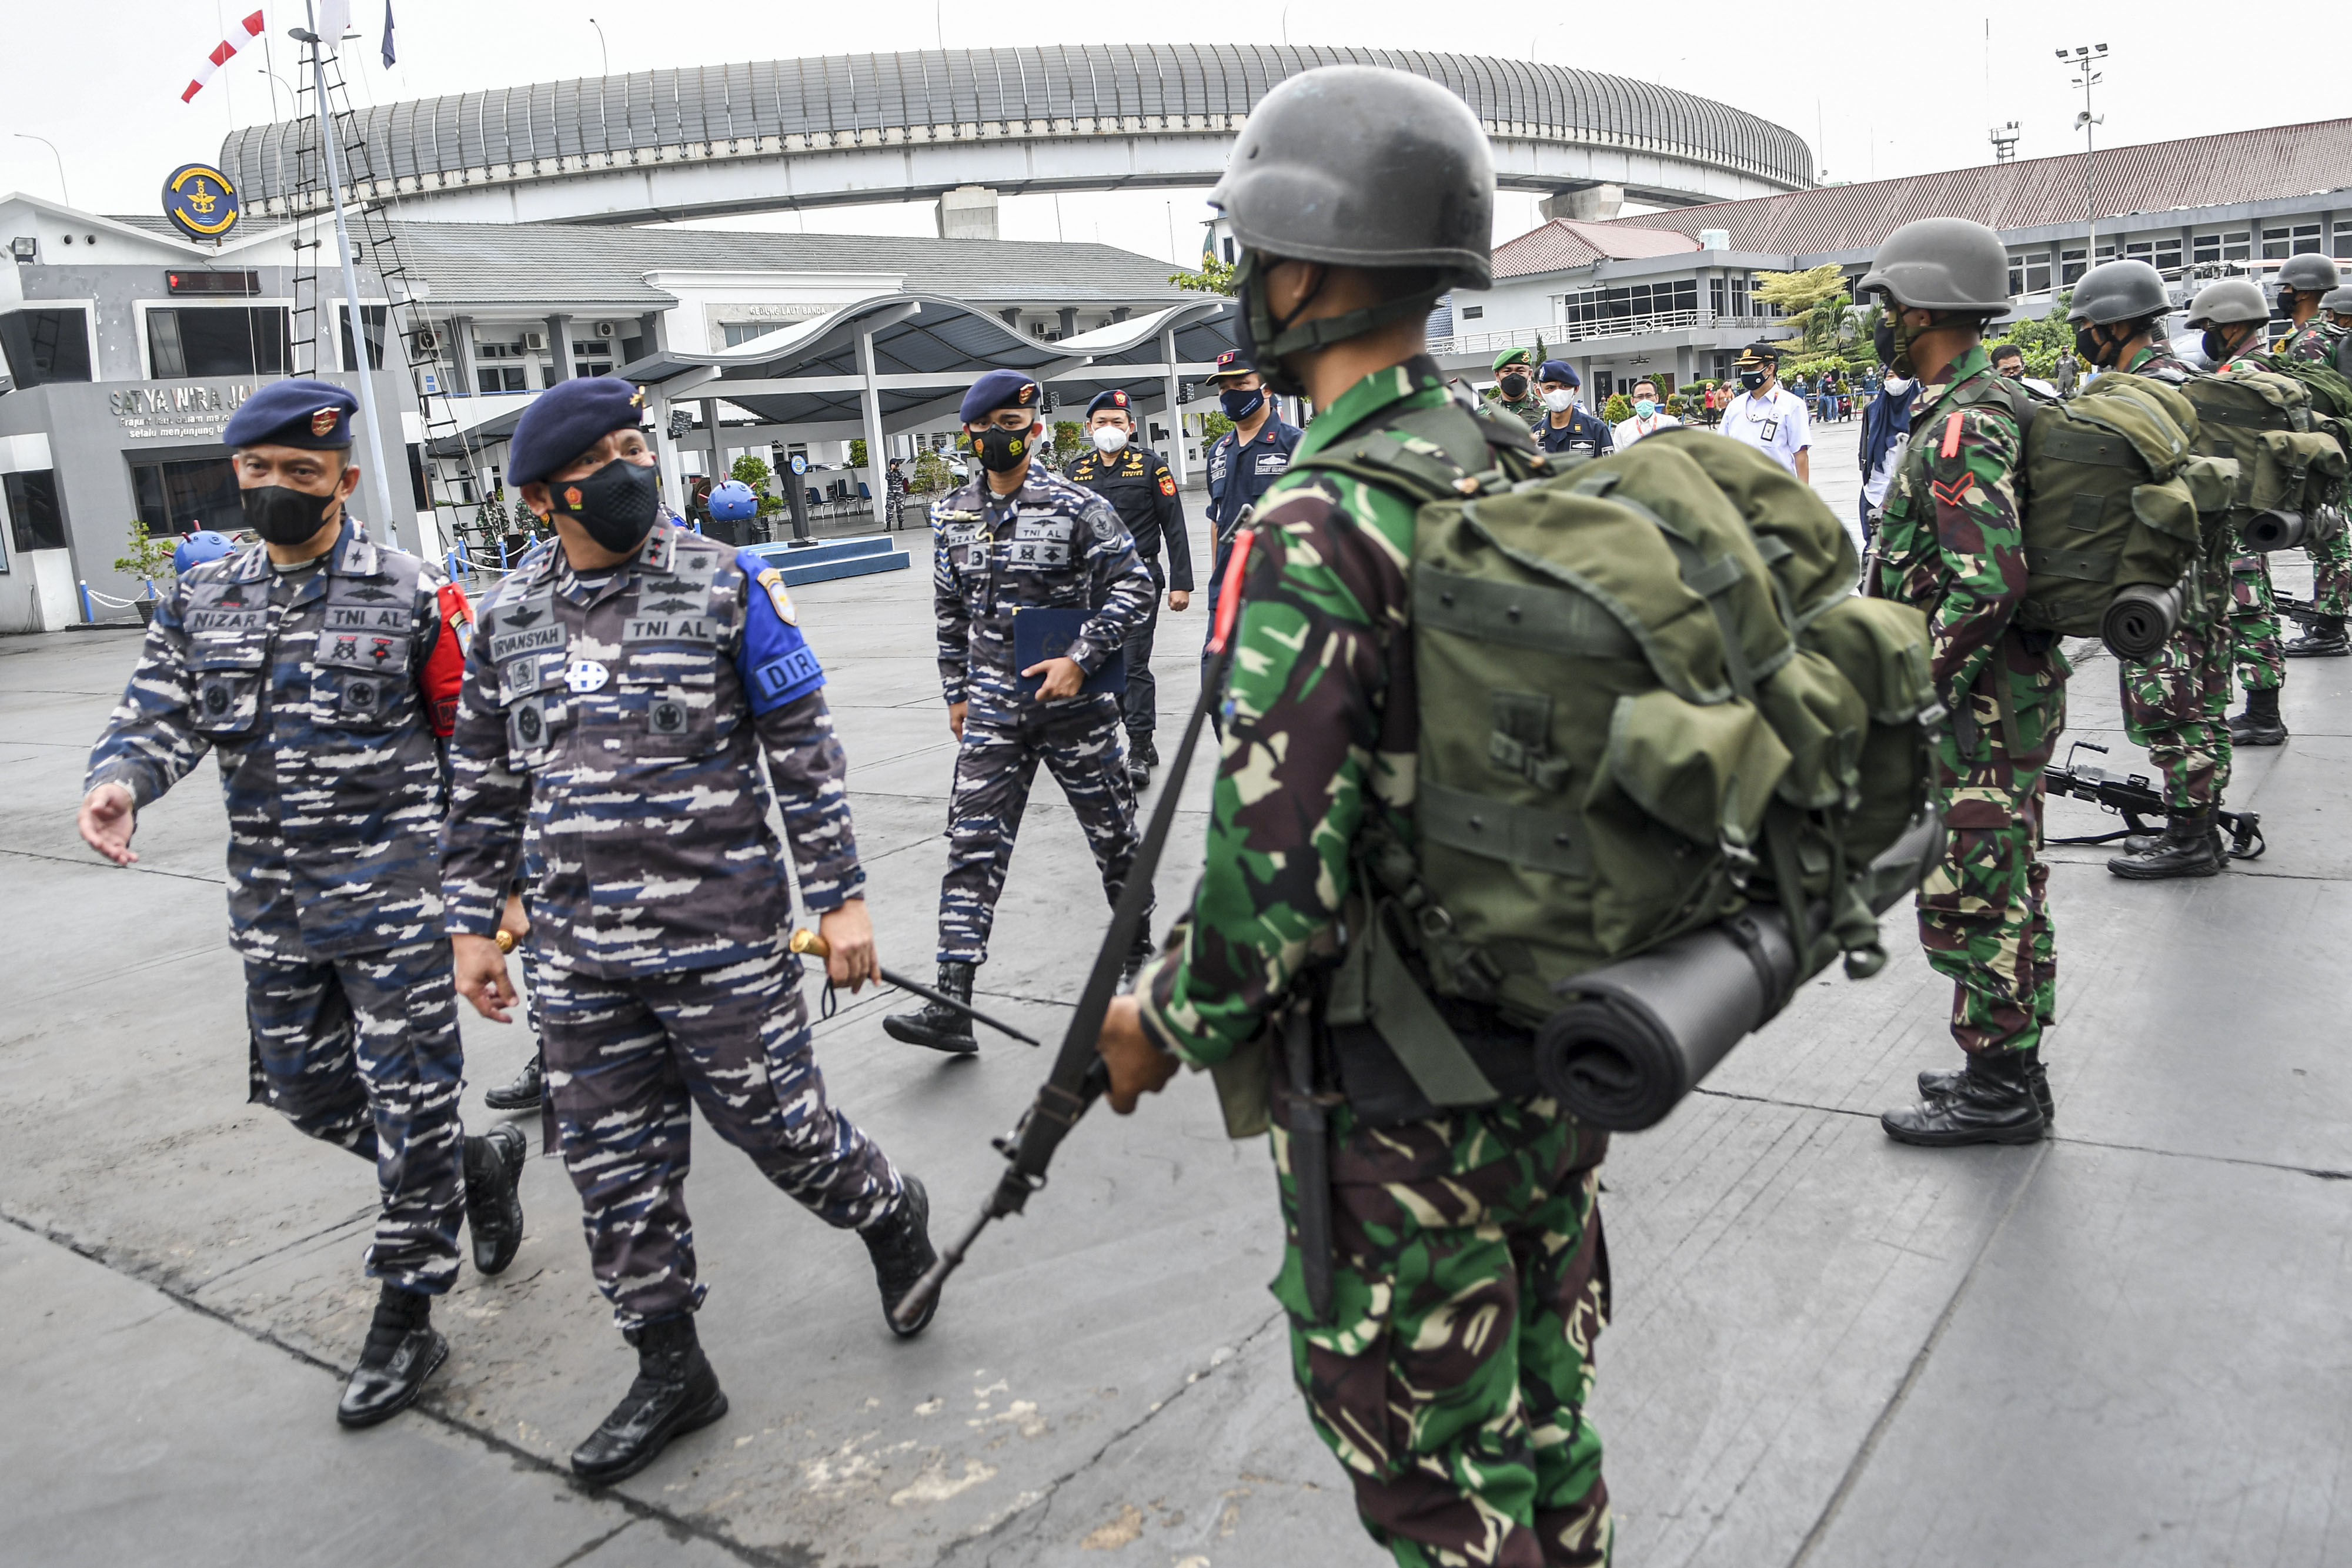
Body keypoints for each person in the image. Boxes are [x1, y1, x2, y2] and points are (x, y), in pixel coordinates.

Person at [1094, 65, 1616, 1567]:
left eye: (1253, 254)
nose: (1246, 285)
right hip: (1546, 1063)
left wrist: (1157, 1023)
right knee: (1543, 1427)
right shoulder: (1508, 461)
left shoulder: (1319, 518)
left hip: (1396, 1105)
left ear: (1308, 266)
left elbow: (1274, 888)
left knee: (1438, 1493)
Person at [440, 376, 937, 1482]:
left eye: (636, 444)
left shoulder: (727, 582)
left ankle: (887, 1208)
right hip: (577, 960)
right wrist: (476, 923)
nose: (632, 468)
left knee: (785, 1135)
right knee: (615, 1174)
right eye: (607, 455)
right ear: (542, 498)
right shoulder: (508, 621)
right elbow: (479, 786)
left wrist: (841, 896)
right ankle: (672, 1368)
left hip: (720, 937)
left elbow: (803, 751)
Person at [78, 379, 527, 1429]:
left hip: (402, 905)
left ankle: (407, 1315)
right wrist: (119, 782)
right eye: (259, 471)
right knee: (306, 1095)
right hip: (277, 909)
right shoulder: (203, 599)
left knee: (410, 1101)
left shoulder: (415, 591)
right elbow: (159, 716)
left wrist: (493, 888)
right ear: (237, 474)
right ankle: (476, 1165)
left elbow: (476, 745)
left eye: (301, 473)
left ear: (346, 481)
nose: (277, 488)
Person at [882, 369, 1158, 1055]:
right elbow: (949, 611)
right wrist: (955, 693)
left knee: (1114, 839)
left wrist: (1083, 656)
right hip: (993, 715)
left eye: (1017, 426)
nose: (1005, 438)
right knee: (971, 845)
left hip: (1077, 710)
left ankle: (1140, 959)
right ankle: (952, 1001)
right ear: (970, 434)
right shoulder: (951, 514)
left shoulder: (1076, 505)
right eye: (991, 428)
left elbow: (1135, 585)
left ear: (1036, 431)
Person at [1860, 216, 2061, 1148]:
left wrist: (1919, 681)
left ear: (1928, 306)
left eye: (1888, 302)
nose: (1881, 317)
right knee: (2009, 877)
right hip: (2005, 693)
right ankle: (2007, 1066)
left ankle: (1999, 1093)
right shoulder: (1987, 400)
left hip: (1979, 703)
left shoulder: (1963, 422)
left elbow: (1987, 580)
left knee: (1975, 885)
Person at [2068, 260, 2238, 880]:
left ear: (2114, 326)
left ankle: (2191, 841)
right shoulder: (2194, 377)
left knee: (2169, 710)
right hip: (2207, 573)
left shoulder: (2137, 394)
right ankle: (2194, 827)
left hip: (2160, 577)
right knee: (2204, 705)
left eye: (2086, 325)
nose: (2081, 335)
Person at [1063, 387, 1195, 790]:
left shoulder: (1151, 466)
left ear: (1130, 427)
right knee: (1104, 666)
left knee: (1134, 664)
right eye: (1101, 422)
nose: (1109, 429)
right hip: (1092, 586)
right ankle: (1135, 733)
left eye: (1117, 422)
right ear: (1089, 427)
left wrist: (1181, 584)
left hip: (1139, 580)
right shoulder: (1077, 471)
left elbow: (1174, 526)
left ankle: (1138, 747)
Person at [2187, 279, 2293, 746]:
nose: (2206, 336)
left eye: (2210, 326)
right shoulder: (2272, 366)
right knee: (2257, 603)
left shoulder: (2236, 379)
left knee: (2249, 609)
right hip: (2262, 508)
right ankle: (2262, 708)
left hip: (2239, 512)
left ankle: (2264, 714)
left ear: (2231, 327)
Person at [1201, 349, 1304, 684]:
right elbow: (1217, 521)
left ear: (1267, 388)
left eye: (1242, 383)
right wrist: (1217, 581)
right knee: (1216, 691)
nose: (1231, 394)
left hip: (1279, 592)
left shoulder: (1296, 445)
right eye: (1223, 388)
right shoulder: (1218, 451)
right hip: (1226, 593)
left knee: (1272, 693)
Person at [2272, 253, 2350, 658]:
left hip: (2326, 450)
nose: (2281, 294)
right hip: (2340, 446)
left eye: (2286, 288)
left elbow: (2309, 407)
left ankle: (2331, 627)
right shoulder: (2330, 334)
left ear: (2303, 291)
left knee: (2328, 533)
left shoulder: (2311, 342)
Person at [1720, 344, 1812, 482]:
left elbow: (1800, 454)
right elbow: (1722, 451)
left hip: (1778, 493)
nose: (1746, 373)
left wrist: (1804, 497)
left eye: (1752, 368)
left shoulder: (1792, 405)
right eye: (1744, 368)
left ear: (1770, 369)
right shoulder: (1734, 407)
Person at [1857, 363, 1916, 549]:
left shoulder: (1924, 409)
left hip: (1910, 494)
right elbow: (1865, 446)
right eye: (1890, 376)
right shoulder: (1874, 409)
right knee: (1872, 549)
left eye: (1900, 376)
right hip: (1874, 491)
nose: (1894, 381)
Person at [1531, 359, 1612, 457]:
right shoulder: (1534, 435)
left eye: (1564, 386)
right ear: (1539, 393)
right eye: (1550, 388)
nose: (1558, 393)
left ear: (1576, 389)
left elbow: (1611, 469)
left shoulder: (1596, 430)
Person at [1608, 375, 1680, 449]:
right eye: (1640, 397)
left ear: (1656, 398)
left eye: (1649, 396)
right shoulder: (1622, 429)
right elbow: (1619, 458)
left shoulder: (1671, 424)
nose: (1645, 400)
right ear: (1632, 401)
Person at [1484, 345, 1544, 426]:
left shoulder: (1546, 411)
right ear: (1497, 376)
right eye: (1507, 372)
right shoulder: (1483, 413)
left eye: (1520, 371)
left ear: (1529, 375)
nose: (1514, 377)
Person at [1989, 342, 2060, 398]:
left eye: (2016, 368)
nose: (2012, 373)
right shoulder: (1991, 394)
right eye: (2006, 370)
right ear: (1995, 370)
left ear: (2022, 365)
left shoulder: (2043, 388)